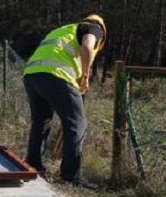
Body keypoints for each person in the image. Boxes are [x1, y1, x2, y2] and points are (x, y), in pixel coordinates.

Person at [22, 14, 107, 187]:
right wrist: (85, 75)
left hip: (32, 74)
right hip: (57, 75)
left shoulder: (65, 30)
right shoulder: (94, 28)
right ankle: (69, 177)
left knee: (41, 121)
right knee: (77, 124)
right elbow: (87, 45)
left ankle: (33, 165)